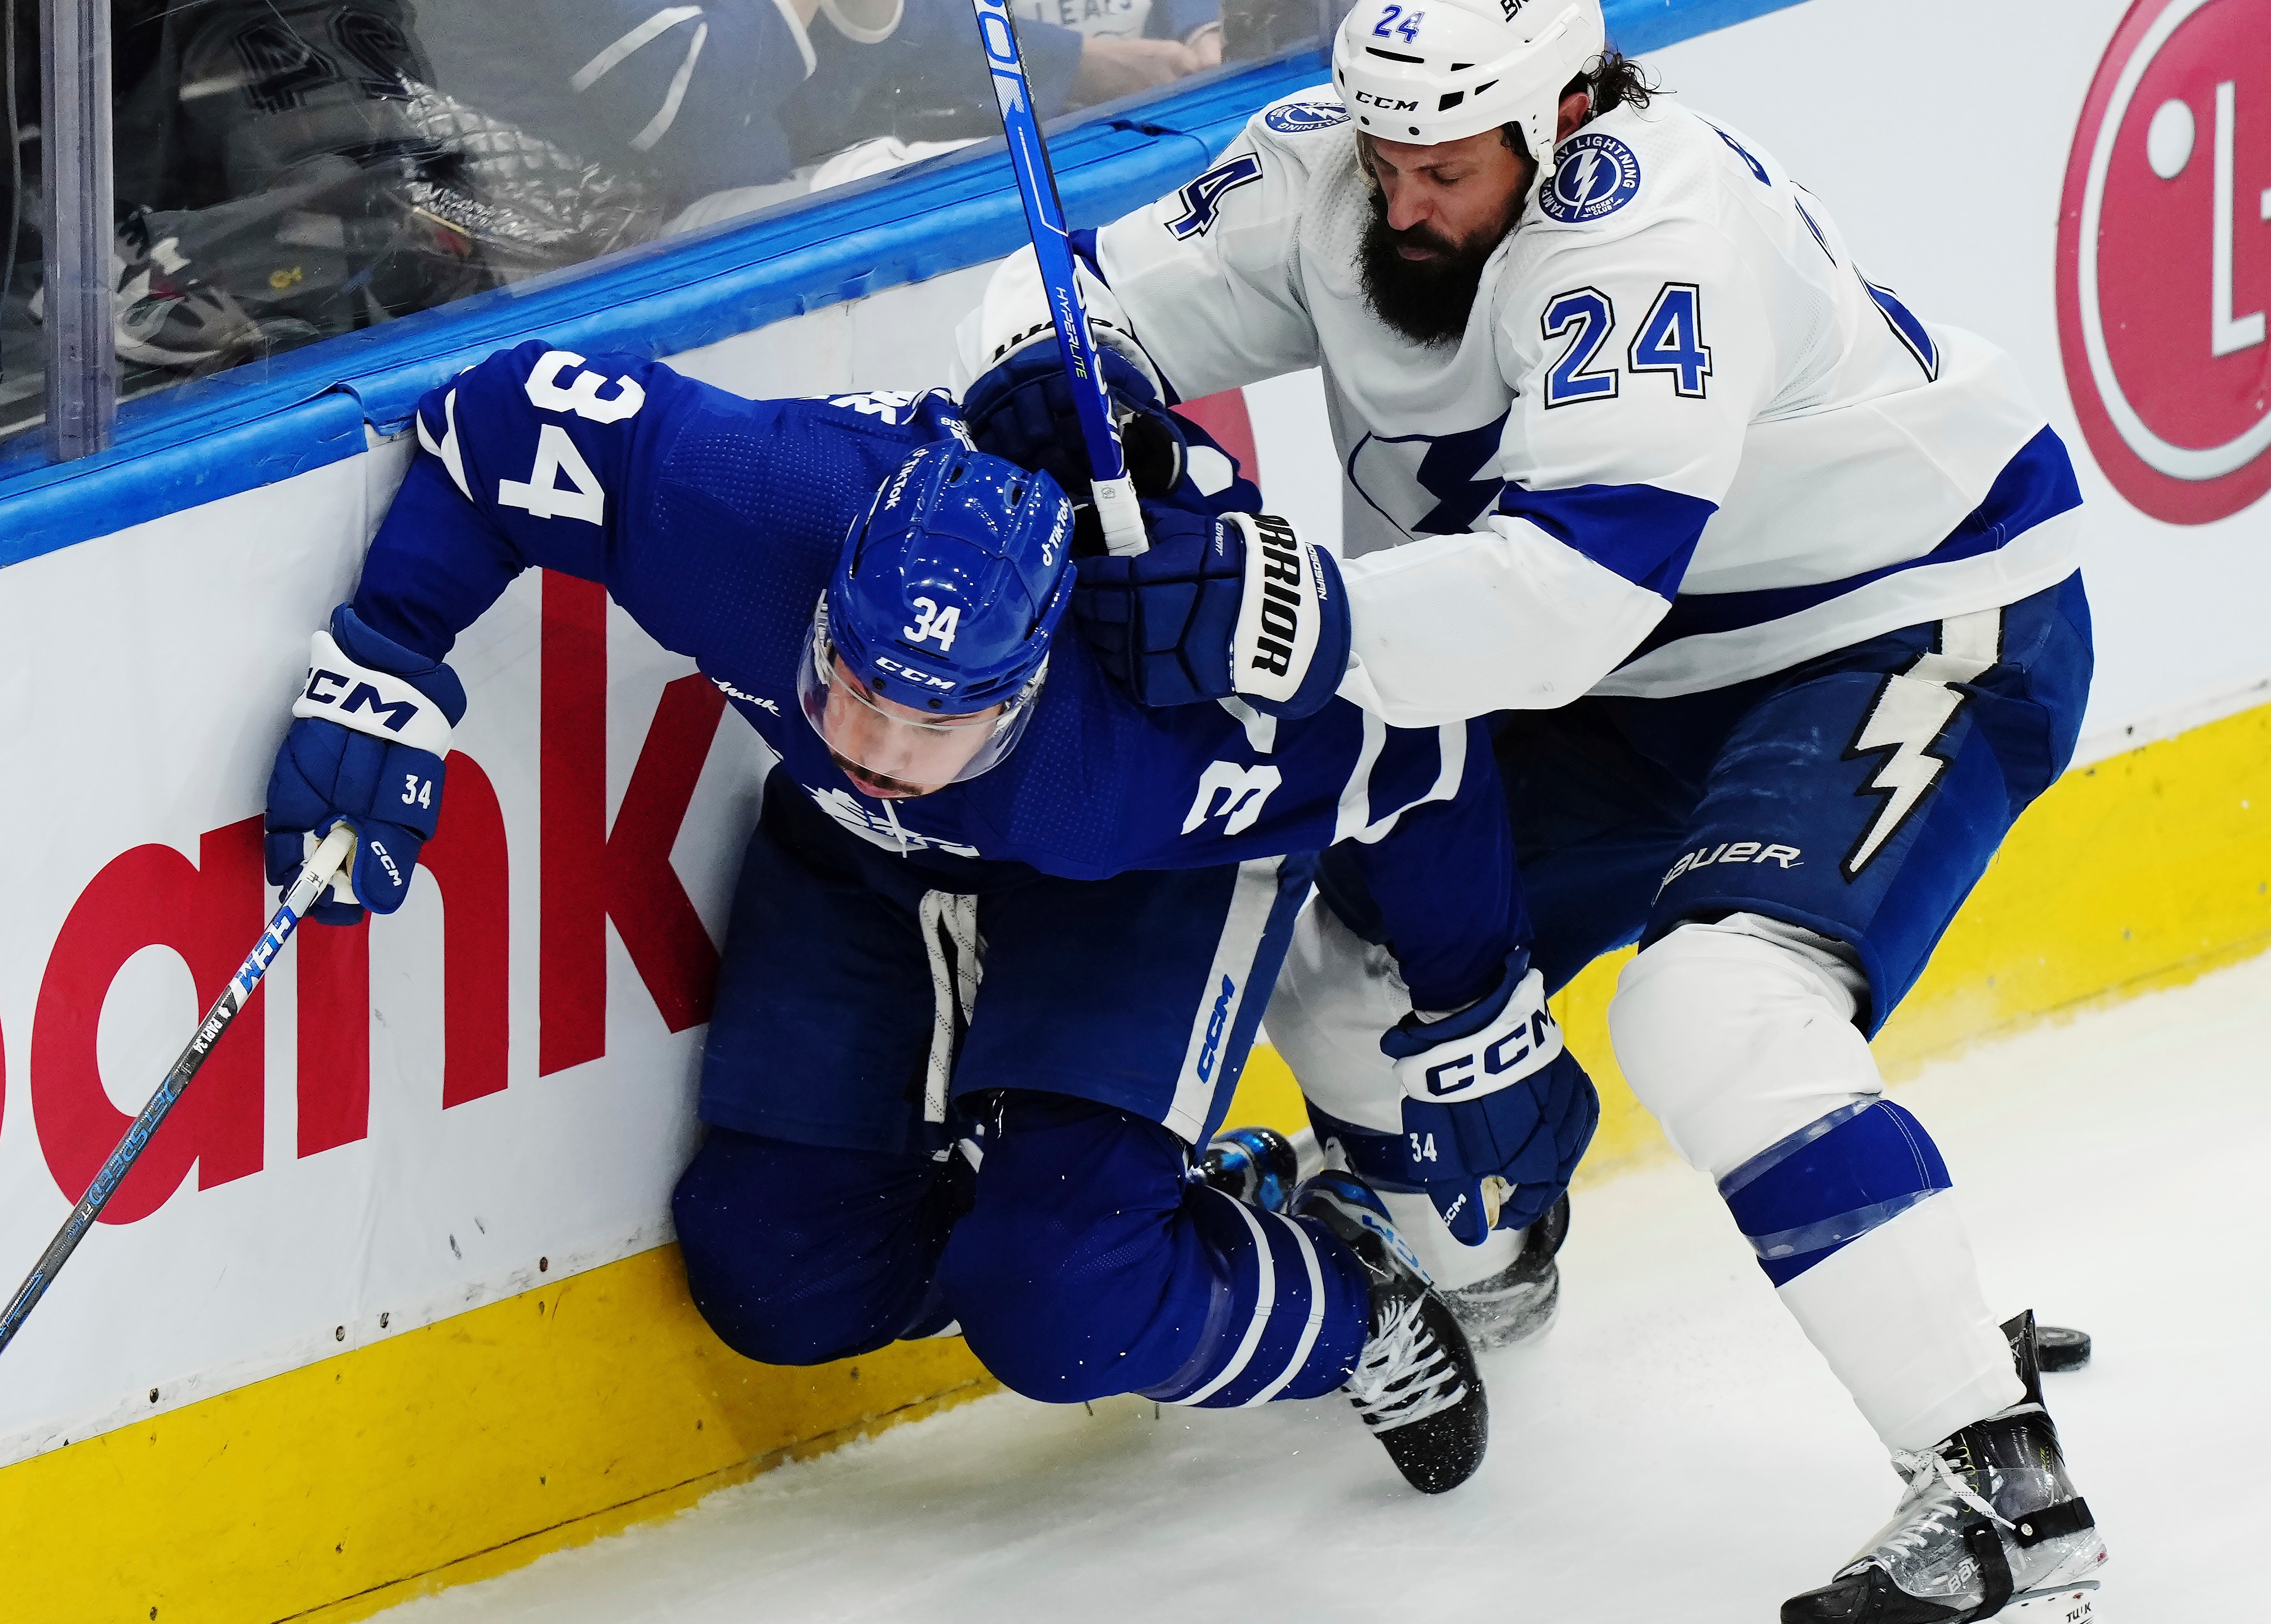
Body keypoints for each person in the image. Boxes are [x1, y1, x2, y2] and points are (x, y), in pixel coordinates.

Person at [964, 0, 2104, 1613]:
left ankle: (2002, 1496)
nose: (1402, 200)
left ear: (1559, 113)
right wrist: (1045, 381)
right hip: (1619, 687)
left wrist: (1266, 605)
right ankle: (1468, 1256)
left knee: (1714, 1007)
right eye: (1383, 151)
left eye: (1442, 165)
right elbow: (1048, 289)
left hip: (1898, 619)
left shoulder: (1647, 221)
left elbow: (1564, 595)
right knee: (1334, 934)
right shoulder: (1334, 178)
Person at [256, 338, 1602, 1494]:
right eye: (854, 687)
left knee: (1058, 1301)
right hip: (858, 858)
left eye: (936, 719)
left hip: (1125, 882)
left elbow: (1417, 759)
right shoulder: (747, 512)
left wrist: (1477, 1003)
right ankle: (1163, 1213)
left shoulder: (1142, 737)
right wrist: (386, 653)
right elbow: (493, 423)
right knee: (779, 1275)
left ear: (1020, 695)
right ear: (829, 603)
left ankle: (1353, 1305)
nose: (884, 745)